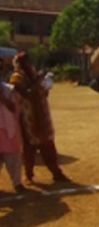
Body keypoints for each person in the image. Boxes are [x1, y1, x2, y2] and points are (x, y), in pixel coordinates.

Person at [10, 52, 69, 183]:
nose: (28, 64)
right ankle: (29, 175)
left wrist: (46, 86)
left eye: (28, 61)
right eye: (24, 62)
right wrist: (38, 82)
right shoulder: (16, 77)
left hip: (42, 115)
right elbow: (26, 94)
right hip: (27, 117)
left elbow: (43, 93)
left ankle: (56, 173)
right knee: (29, 147)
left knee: (48, 145)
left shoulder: (35, 75)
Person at [0, 64, 25, 193]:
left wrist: (2, 98)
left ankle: (17, 183)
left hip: (8, 129)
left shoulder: (9, 90)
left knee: (14, 158)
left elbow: (14, 108)